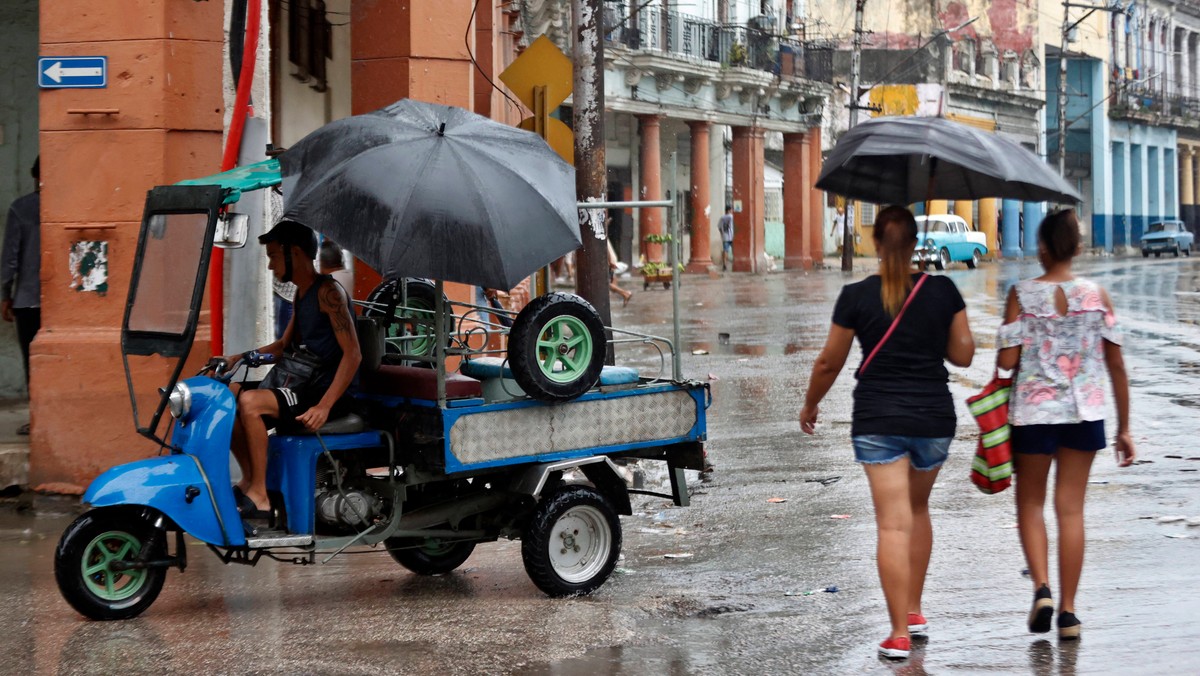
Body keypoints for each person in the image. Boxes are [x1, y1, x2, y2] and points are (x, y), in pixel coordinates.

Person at [798, 205, 975, 660]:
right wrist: (934, 321)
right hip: (933, 419)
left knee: (893, 523)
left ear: (875, 244)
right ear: (916, 245)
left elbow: (829, 362)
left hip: (879, 419)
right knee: (918, 509)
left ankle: (898, 633)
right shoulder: (942, 291)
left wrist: (812, 402)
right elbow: (964, 355)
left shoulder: (857, 296)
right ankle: (914, 610)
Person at [995, 208, 1135, 641]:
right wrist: (1124, 428)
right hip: (1084, 413)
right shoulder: (1098, 296)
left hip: (1033, 415)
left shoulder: (1021, 295)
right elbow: (1116, 366)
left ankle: (1042, 589)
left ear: (1040, 248)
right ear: (1076, 247)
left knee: (1031, 505)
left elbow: (1006, 363)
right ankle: (1070, 614)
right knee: (1071, 509)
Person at [221, 221, 361, 519]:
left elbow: (353, 354)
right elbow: (283, 346)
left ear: (294, 253)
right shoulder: (302, 293)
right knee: (228, 395)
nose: (271, 265)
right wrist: (237, 357)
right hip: (302, 383)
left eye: (273, 255)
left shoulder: (329, 294)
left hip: (323, 392)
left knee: (250, 403)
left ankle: (260, 496)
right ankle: (250, 480)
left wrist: (324, 407)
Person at [1, 158, 40, 436]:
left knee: (32, 361)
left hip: (27, 300)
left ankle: (37, 419)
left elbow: (10, 258)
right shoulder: (67, 205)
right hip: (62, 301)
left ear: (34, 175)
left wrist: (5, 294)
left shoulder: (22, 207)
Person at [608, 239, 632, 306]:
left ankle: (625, 293)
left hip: (609, 263)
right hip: (610, 262)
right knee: (610, 285)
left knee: (607, 284)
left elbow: (607, 251)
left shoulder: (601, 235)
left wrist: (610, 262)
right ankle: (625, 294)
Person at [718, 205, 734, 271]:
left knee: (725, 251)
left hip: (725, 237)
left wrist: (722, 234)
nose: (732, 211)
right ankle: (734, 263)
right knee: (734, 251)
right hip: (732, 236)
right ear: (729, 210)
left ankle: (724, 265)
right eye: (731, 210)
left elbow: (719, 227)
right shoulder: (732, 217)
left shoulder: (722, 218)